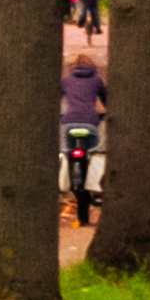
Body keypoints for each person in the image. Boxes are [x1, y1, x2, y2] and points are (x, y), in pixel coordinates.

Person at [59, 51, 109, 219]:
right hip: (90, 123)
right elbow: (106, 99)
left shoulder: (66, 80)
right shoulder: (96, 79)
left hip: (70, 123)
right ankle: (91, 184)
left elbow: (58, 97)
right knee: (93, 153)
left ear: (74, 65)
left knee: (69, 152)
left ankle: (70, 179)